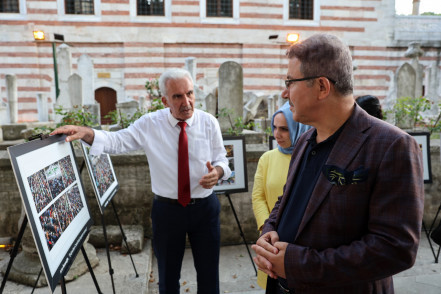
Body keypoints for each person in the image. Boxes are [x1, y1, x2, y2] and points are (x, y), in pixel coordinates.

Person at [251, 33, 424, 294]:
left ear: (322, 86)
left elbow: (395, 249)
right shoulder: (305, 139)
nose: (285, 92)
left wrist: (299, 263)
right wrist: (270, 230)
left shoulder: (391, 146)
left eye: (290, 81)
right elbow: (286, 200)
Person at [50, 68, 231, 294]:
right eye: (178, 96)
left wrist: (219, 172)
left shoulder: (208, 122)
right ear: (165, 100)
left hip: (205, 209)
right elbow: (117, 141)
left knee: (209, 278)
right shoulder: (150, 124)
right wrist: (86, 132)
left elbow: (222, 158)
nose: (187, 102)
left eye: (190, 93)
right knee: (167, 279)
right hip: (168, 212)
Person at [252, 101, 310, 289]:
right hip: (271, 239)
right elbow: (258, 197)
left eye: (284, 129)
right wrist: (266, 229)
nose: (277, 134)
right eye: (275, 127)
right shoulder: (267, 158)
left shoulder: (309, 157)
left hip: (300, 243)